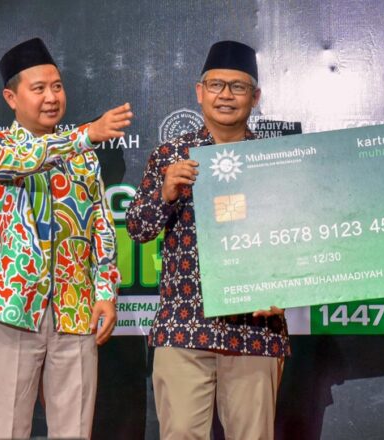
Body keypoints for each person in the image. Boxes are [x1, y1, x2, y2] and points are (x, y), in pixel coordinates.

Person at [126, 40, 290, 440]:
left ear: (255, 97)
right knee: (180, 432)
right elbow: (138, 228)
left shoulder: (277, 157)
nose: (226, 95)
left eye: (238, 87)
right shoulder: (171, 155)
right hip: (184, 324)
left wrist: (287, 288)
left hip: (255, 328)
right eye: (216, 85)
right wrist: (165, 193)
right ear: (199, 92)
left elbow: (300, 237)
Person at [0, 37, 133, 439]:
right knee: (7, 430)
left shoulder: (85, 157)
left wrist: (105, 292)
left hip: (75, 310)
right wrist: (85, 135)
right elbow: (28, 160)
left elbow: (101, 227)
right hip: (12, 311)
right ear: (11, 97)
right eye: (39, 88)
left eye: (57, 87)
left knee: (74, 430)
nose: (51, 97)